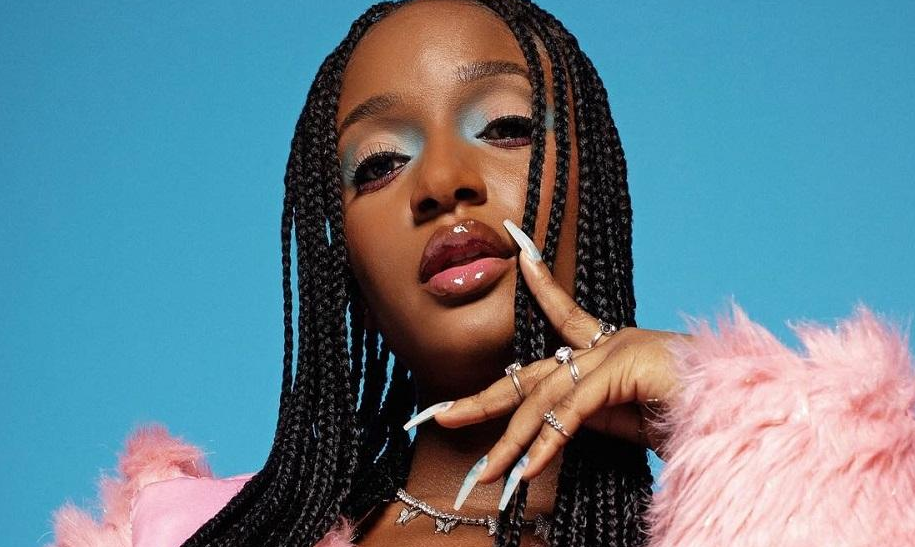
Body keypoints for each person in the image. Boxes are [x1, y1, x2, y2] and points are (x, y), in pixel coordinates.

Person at [47, 1, 915, 546]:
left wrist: (720, 407)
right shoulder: (191, 535)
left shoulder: (770, 520)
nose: (441, 183)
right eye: (379, 163)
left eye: (503, 128)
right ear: (344, 267)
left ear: (593, 192)